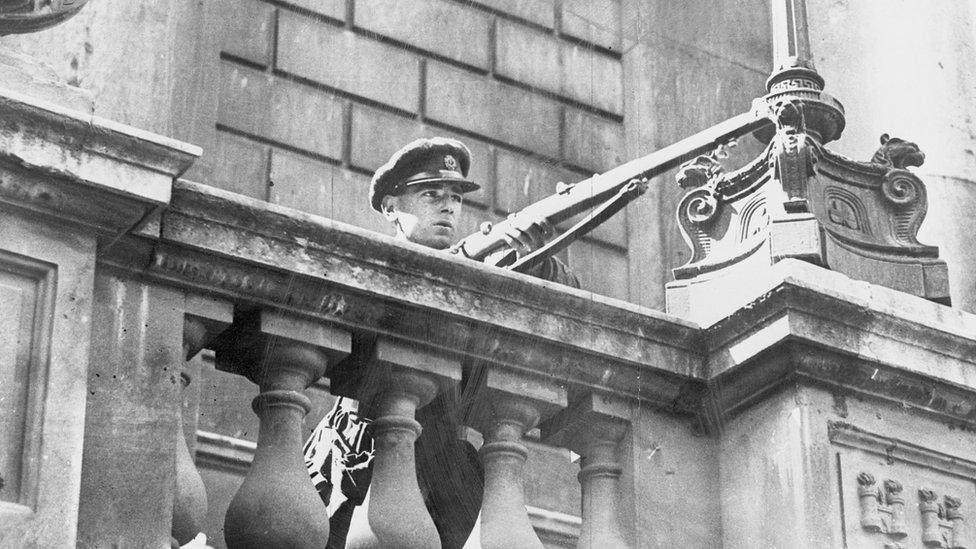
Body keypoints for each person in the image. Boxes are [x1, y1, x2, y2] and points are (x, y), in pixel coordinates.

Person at [304, 137, 577, 548]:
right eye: (431, 194)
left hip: (444, 462)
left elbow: (572, 304)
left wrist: (537, 258)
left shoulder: (471, 272)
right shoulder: (372, 263)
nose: (448, 206)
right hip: (365, 455)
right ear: (392, 207)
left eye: (455, 197)